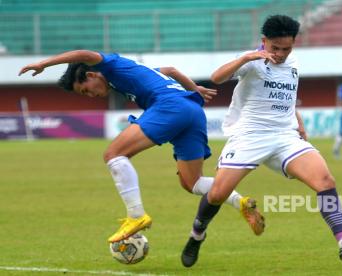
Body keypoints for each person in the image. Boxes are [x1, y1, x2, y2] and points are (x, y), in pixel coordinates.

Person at [180, 15, 342, 268]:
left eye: (287, 48)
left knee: (325, 180)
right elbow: (216, 77)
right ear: (264, 42)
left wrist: (299, 123)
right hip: (249, 137)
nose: (281, 53)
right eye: (275, 48)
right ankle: (197, 234)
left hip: (285, 136)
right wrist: (246, 57)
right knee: (218, 193)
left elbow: (286, 97)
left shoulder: (293, 62)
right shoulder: (252, 61)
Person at [18, 50, 265, 242]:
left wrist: (44, 64)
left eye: (85, 90)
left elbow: (83, 54)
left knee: (113, 153)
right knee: (193, 183)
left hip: (170, 107)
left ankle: (136, 216)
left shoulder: (111, 65)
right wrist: (195, 90)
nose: (90, 95)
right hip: (191, 110)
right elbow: (170, 70)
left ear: (91, 75)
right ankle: (241, 203)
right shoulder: (129, 74)